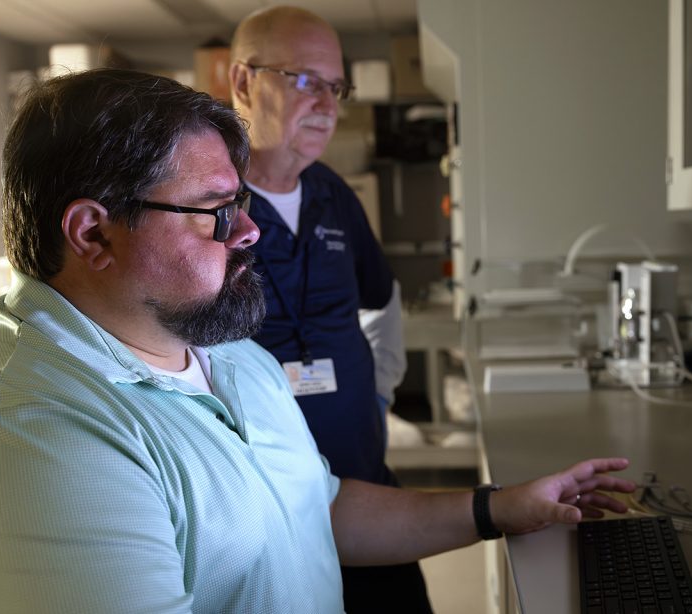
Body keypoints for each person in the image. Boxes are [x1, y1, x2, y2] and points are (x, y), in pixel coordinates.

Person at [0, 68, 637, 614]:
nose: (249, 233)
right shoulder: (26, 439)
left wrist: (498, 508)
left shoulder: (231, 355)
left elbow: (317, 508)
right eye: (215, 212)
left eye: (240, 204)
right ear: (93, 233)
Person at [227, 7, 424, 610]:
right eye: (305, 80)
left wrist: (380, 393)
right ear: (242, 83)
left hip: (366, 480)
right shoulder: (204, 203)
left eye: (335, 86)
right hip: (266, 516)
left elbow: (381, 299)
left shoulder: (333, 194)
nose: (328, 104)